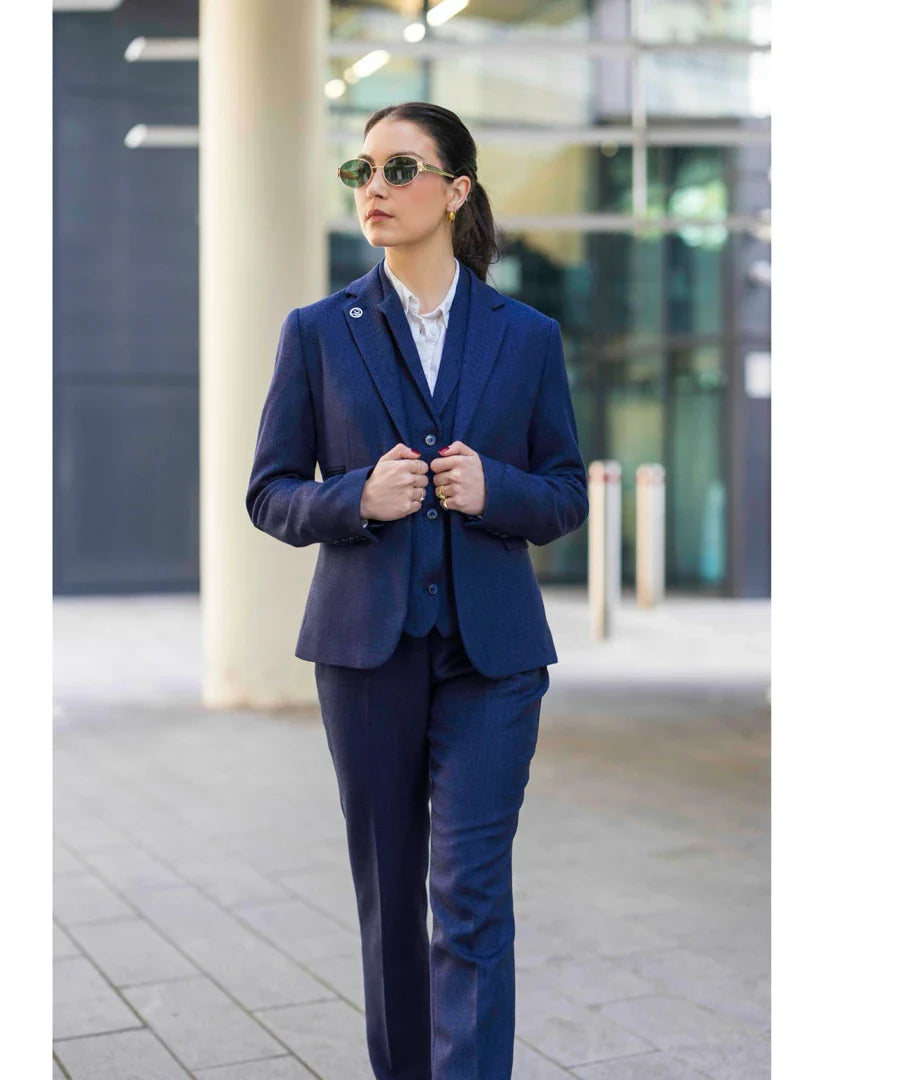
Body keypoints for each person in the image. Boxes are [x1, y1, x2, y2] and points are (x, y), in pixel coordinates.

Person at [245, 101, 588, 1080]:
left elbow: (564, 491)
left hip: (495, 659)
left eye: (400, 170)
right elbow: (269, 493)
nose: (378, 190)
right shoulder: (317, 332)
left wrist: (495, 489)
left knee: (471, 894)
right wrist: (357, 497)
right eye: (363, 173)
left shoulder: (526, 336)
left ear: (457, 190)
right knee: (392, 900)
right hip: (364, 653)